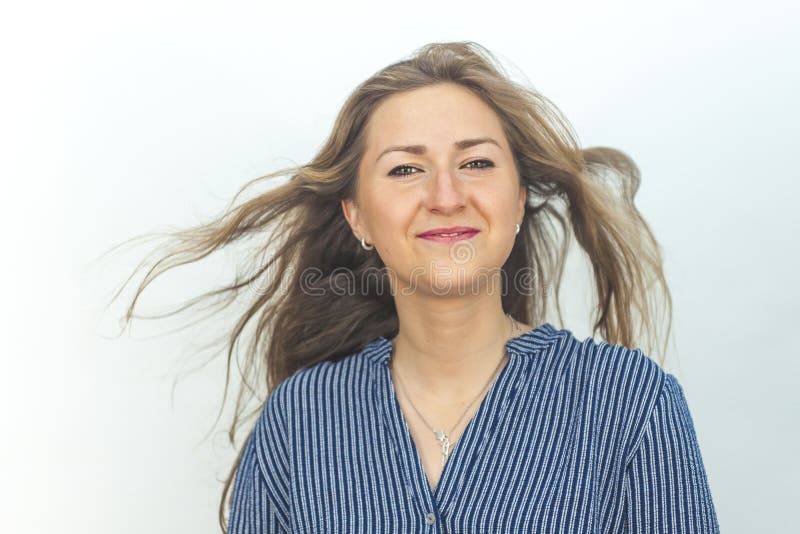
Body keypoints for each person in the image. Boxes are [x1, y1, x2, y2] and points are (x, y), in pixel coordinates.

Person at [115, 41, 719, 533]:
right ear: (357, 217)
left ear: (519, 199)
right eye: (406, 168)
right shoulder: (299, 420)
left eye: (476, 162)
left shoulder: (631, 407)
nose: (446, 195)